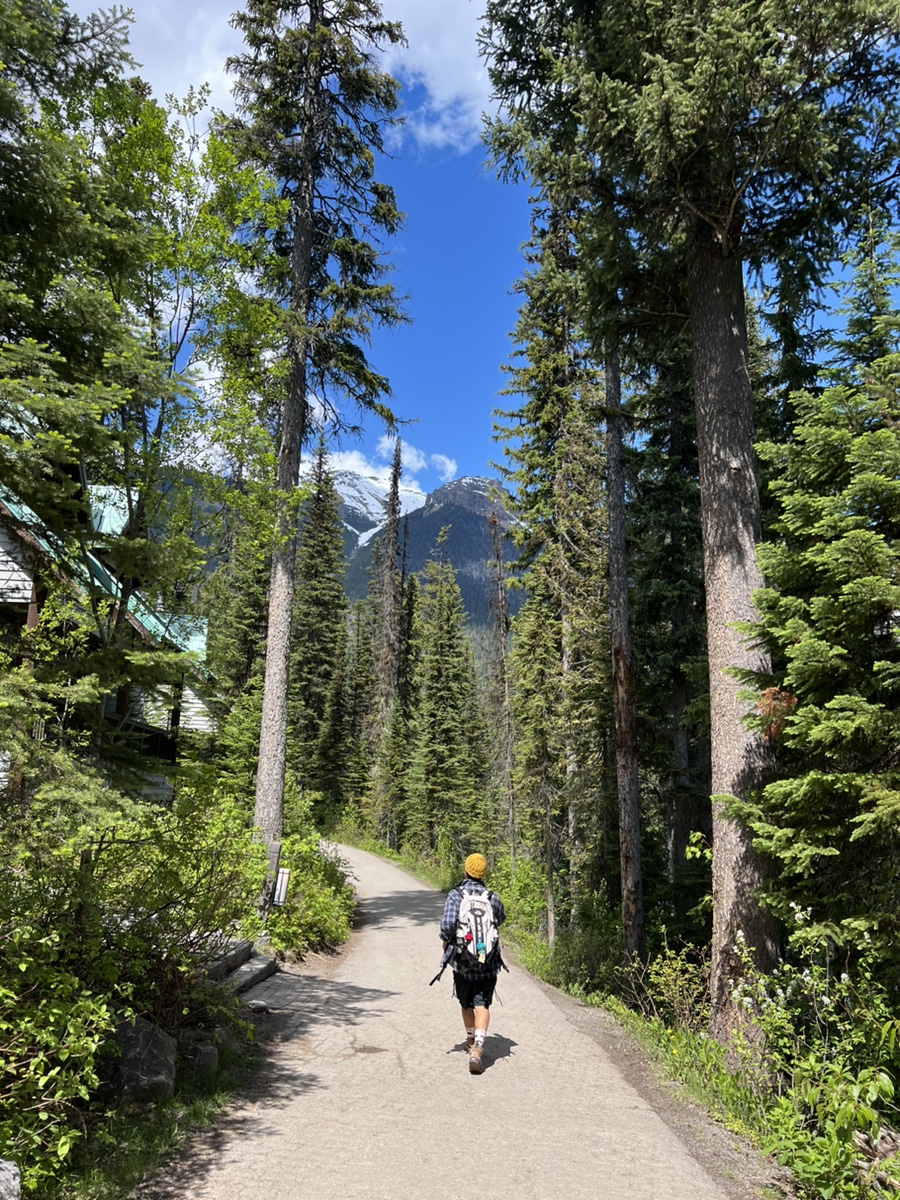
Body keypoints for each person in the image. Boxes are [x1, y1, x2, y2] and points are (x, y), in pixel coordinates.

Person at [439, 852, 506, 1075]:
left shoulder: (456, 895)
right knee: (482, 1003)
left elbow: (447, 926)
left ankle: (470, 1037)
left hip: (463, 960)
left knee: (465, 1002)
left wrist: (446, 944)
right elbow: (500, 919)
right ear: (483, 873)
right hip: (487, 960)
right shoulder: (492, 897)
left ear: (466, 870)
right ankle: (479, 1045)